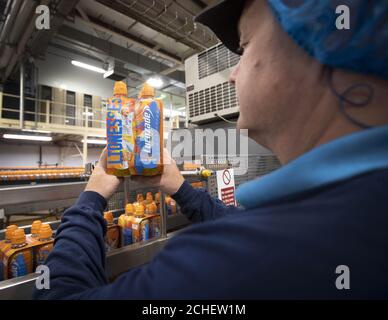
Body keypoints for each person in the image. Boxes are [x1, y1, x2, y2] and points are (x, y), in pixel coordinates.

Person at [34, 0, 388, 299]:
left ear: (321, 44)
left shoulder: (231, 262)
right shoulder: (352, 209)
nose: (233, 75)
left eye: (245, 46)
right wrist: (181, 189)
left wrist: (91, 198)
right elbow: (248, 227)